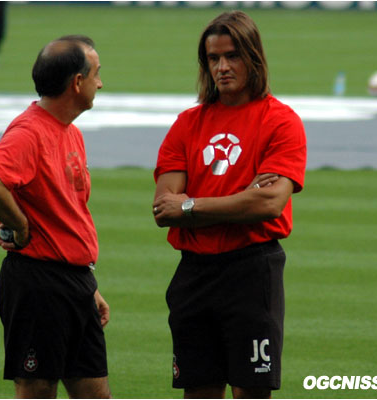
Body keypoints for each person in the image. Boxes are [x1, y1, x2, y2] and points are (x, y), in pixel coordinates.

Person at [152, 11, 306, 399]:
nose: (222, 67)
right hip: (194, 275)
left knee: (252, 390)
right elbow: (164, 208)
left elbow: (269, 203)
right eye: (213, 58)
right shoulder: (187, 123)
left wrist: (192, 207)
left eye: (232, 56)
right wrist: (241, 197)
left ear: (253, 57)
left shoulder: (282, 122)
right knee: (198, 390)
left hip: (251, 272)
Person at [0, 35, 112, 399]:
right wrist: (19, 225)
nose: (101, 83)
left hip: (74, 283)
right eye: (96, 74)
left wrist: (88, 284)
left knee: (97, 393)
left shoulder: (72, 134)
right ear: (77, 83)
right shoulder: (30, 132)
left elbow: (67, 214)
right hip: (39, 284)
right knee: (37, 390)